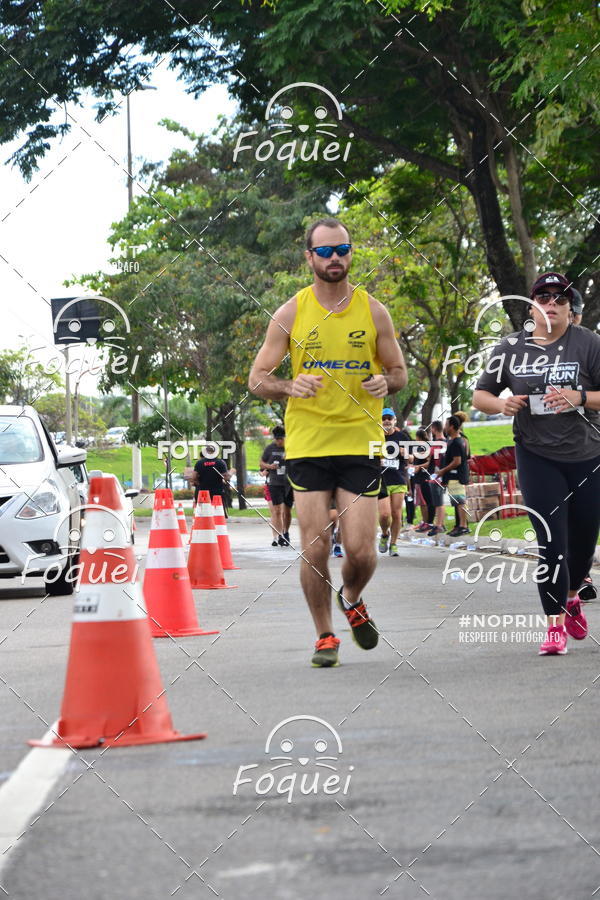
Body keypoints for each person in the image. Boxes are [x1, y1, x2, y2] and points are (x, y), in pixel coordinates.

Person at [248, 216, 407, 667]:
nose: (335, 258)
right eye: (325, 251)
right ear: (309, 257)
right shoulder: (291, 312)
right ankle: (324, 635)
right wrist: (288, 386)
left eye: (342, 249)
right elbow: (257, 379)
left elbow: (399, 371)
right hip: (308, 444)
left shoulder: (374, 310)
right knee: (315, 544)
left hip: (361, 441)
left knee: (361, 549)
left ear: (350, 253)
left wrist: (385, 381)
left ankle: (352, 596)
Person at [473, 271, 600, 656]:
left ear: (569, 308)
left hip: (587, 454)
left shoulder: (589, 343)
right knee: (551, 540)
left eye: (559, 298)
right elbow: (481, 395)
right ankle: (554, 626)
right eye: (542, 297)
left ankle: (573, 592)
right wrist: (502, 404)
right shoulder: (512, 348)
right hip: (536, 454)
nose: (550, 304)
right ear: (531, 306)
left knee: (583, 539)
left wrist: (579, 396)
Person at [378, 408, 410, 556]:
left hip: (398, 478)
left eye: (389, 418)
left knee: (396, 514)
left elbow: (412, 458)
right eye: (384, 418)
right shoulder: (375, 436)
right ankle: (385, 534)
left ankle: (394, 544)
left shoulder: (402, 437)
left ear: (394, 420)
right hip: (381, 480)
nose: (386, 421)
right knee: (385, 515)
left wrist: (405, 453)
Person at [435, 415, 470, 536]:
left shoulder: (456, 442)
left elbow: (457, 461)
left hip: (457, 477)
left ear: (452, 426)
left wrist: (442, 471)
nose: (444, 427)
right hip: (452, 478)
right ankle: (459, 525)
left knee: (460, 501)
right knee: (457, 502)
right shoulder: (453, 441)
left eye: (446, 425)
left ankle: (463, 526)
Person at [260, 425, 294, 546]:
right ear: (274, 438)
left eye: (281, 438)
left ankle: (286, 532)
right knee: (277, 510)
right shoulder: (270, 448)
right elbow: (262, 463)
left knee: (287, 511)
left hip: (289, 483)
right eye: (277, 439)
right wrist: (270, 467)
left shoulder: (290, 447)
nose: (279, 441)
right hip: (274, 483)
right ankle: (280, 535)